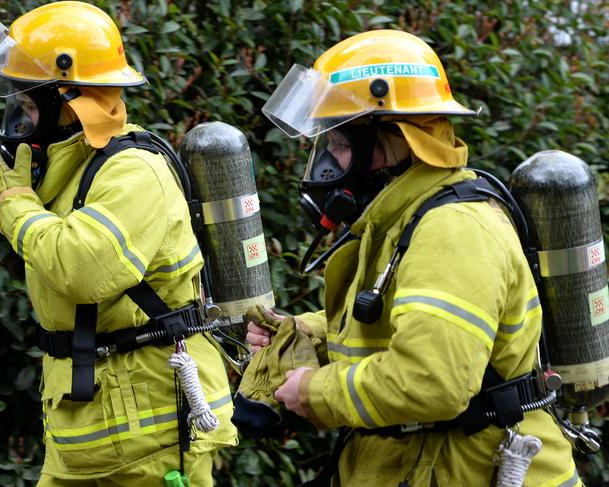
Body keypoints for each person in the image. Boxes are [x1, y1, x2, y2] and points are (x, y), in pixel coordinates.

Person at [245, 30, 580, 486]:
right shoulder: (399, 219)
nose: (327, 165)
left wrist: (315, 391)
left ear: (391, 139)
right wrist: (308, 333)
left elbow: (430, 381)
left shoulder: (453, 230)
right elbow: (393, 325)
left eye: (339, 145)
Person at [0, 2, 236, 486]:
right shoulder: (72, 172)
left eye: (27, 104)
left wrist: (14, 204)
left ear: (67, 102)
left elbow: (81, 268)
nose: (16, 120)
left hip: (147, 437)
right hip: (85, 433)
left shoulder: (134, 171)